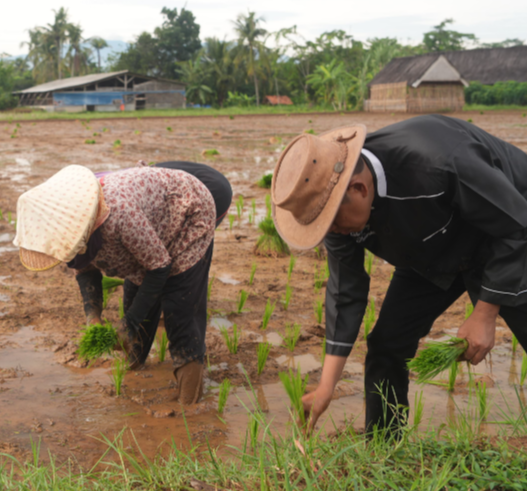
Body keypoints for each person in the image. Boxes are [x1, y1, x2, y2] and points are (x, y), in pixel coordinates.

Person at [271, 115, 527, 433]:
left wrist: (485, 314)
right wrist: (326, 386)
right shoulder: (334, 213)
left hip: (508, 234)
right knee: (387, 344)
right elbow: (345, 292)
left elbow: (516, 226)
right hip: (432, 246)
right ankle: (383, 446)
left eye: (332, 222)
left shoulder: (441, 162)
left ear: (359, 188)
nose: (332, 231)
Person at [14, 161, 232, 405]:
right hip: (149, 230)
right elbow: (85, 269)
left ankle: (188, 401)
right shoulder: (71, 226)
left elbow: (159, 267)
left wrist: (130, 322)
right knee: (134, 297)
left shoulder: (119, 212)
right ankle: (134, 366)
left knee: (179, 305)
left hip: (186, 214)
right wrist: (93, 317)